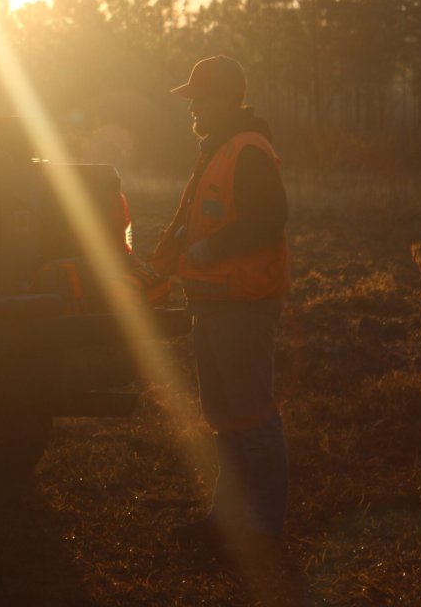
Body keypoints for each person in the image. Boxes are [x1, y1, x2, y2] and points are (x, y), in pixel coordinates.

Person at [150, 55, 290, 561]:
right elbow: (198, 221)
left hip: (243, 305)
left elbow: (270, 218)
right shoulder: (218, 151)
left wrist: (211, 250)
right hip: (212, 305)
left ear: (227, 100)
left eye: (200, 99)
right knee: (226, 419)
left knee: (251, 417)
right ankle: (227, 522)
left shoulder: (247, 151)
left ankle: (264, 533)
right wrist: (159, 267)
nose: (192, 110)